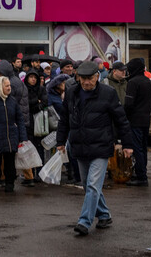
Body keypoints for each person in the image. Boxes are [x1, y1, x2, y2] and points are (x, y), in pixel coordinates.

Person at [55, 61, 134, 236]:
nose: (86, 82)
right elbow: (65, 118)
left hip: (101, 146)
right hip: (80, 146)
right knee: (88, 185)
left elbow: (121, 120)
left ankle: (84, 221)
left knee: (92, 185)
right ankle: (104, 214)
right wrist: (60, 140)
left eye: (90, 78)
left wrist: (128, 144)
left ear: (97, 77)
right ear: (78, 78)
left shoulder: (108, 93)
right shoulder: (72, 93)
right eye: (83, 79)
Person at [0, 71, 27, 193]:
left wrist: (22, 136)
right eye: (7, 86)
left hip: (11, 136)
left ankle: (10, 183)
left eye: (9, 86)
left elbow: (19, 118)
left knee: (10, 163)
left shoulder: (12, 100)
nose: (9, 88)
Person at [123, 57, 151, 187]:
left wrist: (125, 117)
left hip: (134, 120)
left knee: (137, 148)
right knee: (142, 147)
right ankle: (142, 173)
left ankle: (141, 176)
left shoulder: (133, 82)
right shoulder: (148, 81)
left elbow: (129, 104)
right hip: (146, 119)